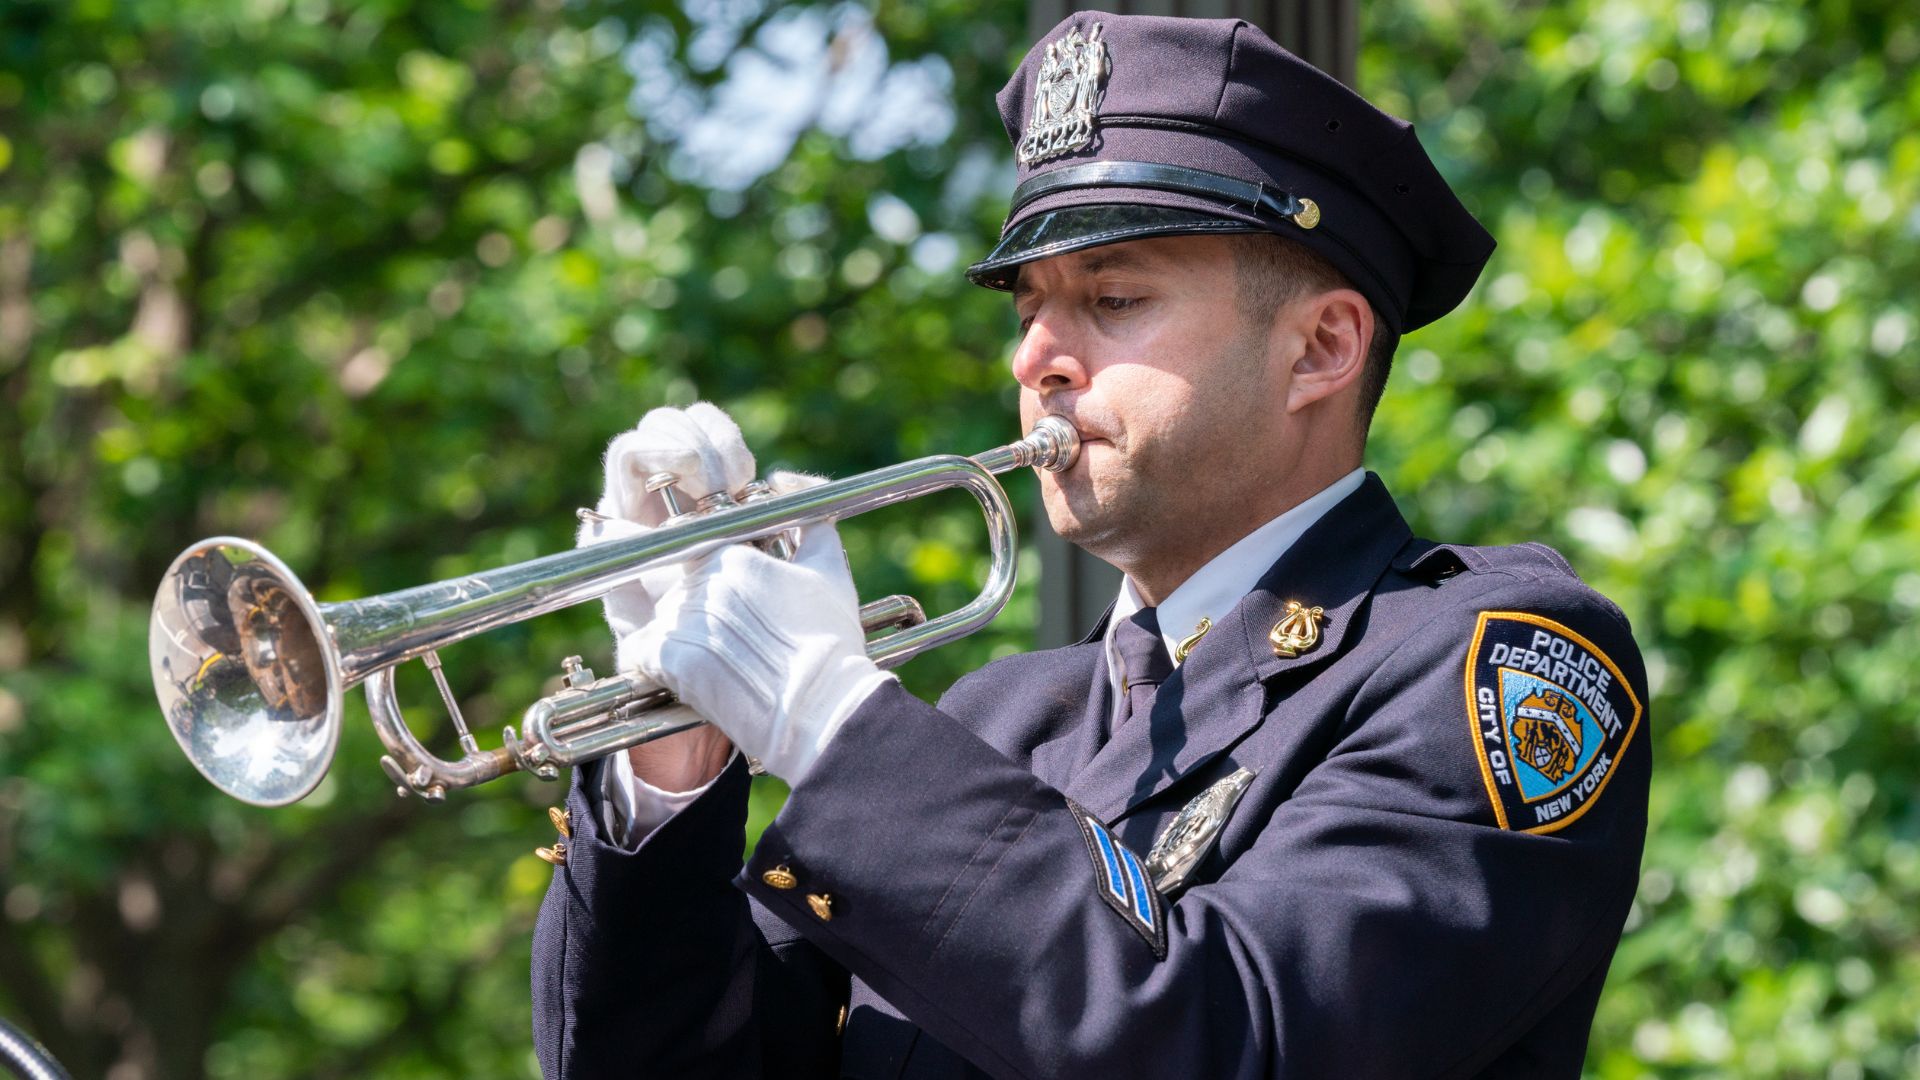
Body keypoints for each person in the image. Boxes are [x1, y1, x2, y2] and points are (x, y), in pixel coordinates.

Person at [532, 12, 1650, 1078]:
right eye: (1028, 309)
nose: (1039, 361)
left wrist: (830, 719)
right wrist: (667, 768)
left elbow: (1240, 1036)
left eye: (1112, 297)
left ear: (1320, 348)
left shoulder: (1488, 662)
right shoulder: (999, 720)